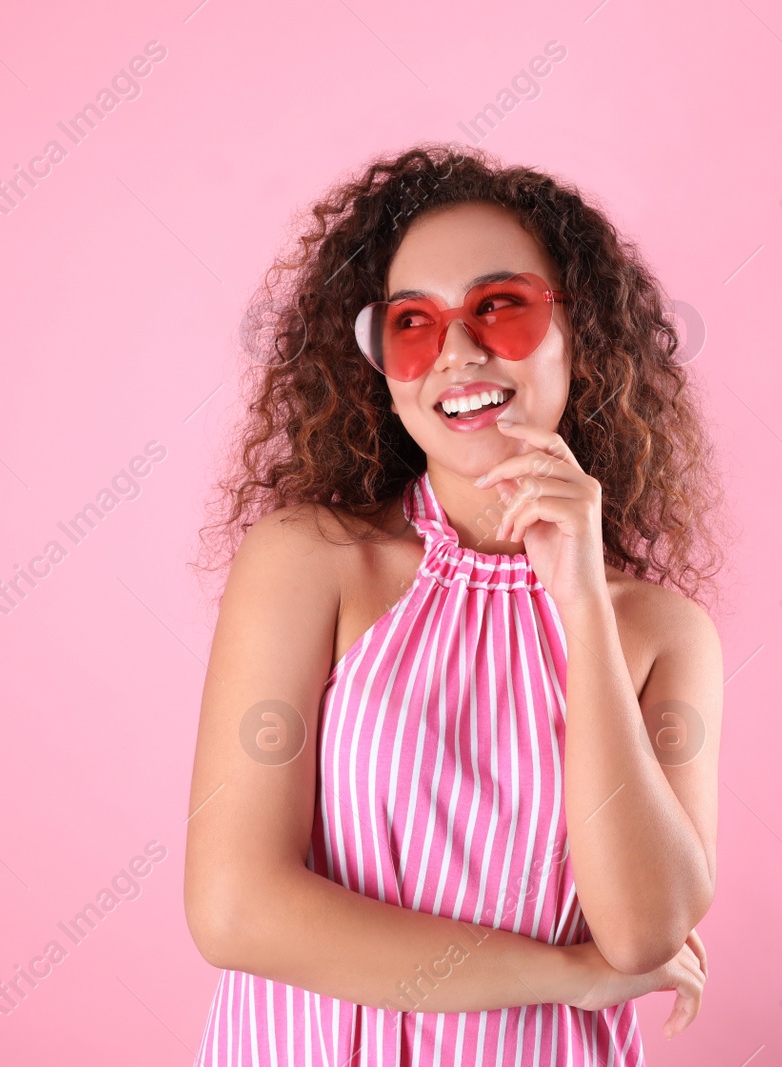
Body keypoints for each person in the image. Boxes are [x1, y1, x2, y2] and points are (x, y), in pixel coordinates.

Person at [184, 142, 731, 1065]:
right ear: (382, 364)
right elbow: (238, 910)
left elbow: (644, 932)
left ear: (578, 331)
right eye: (413, 322)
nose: (459, 351)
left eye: (502, 307)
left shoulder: (659, 633)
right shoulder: (310, 563)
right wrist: (571, 974)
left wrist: (583, 606)